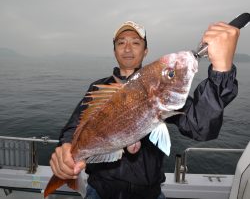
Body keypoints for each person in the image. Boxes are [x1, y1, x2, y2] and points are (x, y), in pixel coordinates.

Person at [49, 20, 239, 199]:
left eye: (136, 42)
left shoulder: (159, 90)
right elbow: (74, 128)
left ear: (145, 51)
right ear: (114, 50)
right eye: (121, 42)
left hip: (149, 193)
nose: (128, 48)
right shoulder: (98, 88)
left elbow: (201, 127)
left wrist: (221, 71)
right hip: (100, 191)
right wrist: (66, 150)